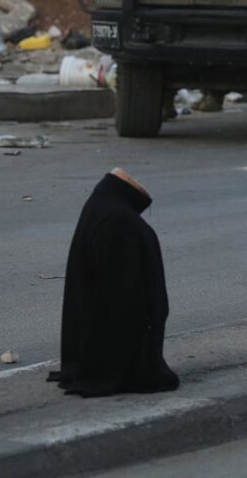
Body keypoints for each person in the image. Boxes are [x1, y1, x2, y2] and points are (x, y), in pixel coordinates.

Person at [49, 168, 179, 396]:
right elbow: (127, 297)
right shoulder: (122, 223)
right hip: (113, 360)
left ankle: (97, 360)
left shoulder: (101, 207)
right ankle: (118, 365)